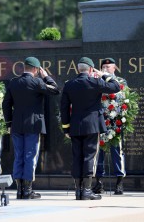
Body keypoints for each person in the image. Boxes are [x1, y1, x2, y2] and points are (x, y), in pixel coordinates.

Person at [60, 57, 120, 200]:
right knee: (89, 157)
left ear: (78, 69)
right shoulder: (95, 82)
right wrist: (103, 75)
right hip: (92, 125)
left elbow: (63, 108)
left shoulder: (69, 85)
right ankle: (86, 190)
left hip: (75, 125)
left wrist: (66, 128)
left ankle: (78, 190)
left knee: (77, 157)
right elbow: (115, 86)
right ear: (91, 69)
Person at [2, 57, 60, 199]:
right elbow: (55, 90)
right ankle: (27, 190)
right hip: (33, 126)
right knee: (30, 156)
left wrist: (9, 123)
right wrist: (46, 77)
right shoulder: (37, 82)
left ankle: (19, 190)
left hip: (16, 125)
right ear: (35, 69)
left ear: (24, 67)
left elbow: (6, 104)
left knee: (19, 156)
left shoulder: (13, 83)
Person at [92, 58, 126, 195]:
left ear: (114, 68)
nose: (105, 69)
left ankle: (119, 182)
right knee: (98, 152)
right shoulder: (96, 80)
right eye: (103, 67)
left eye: (108, 66)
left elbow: (123, 98)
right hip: (99, 121)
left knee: (117, 152)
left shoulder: (121, 81)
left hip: (115, 120)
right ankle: (99, 182)